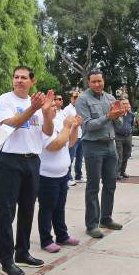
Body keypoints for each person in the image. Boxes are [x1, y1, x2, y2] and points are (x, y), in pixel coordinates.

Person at [0, 66, 54, 275]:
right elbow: (10, 125)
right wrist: (33, 109)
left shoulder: (35, 102)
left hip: (33, 160)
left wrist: (46, 113)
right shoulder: (5, 100)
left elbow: (47, 131)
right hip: (10, 160)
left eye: (24, 77)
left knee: (28, 209)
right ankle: (6, 260)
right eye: (16, 77)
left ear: (32, 81)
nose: (19, 80)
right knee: (7, 212)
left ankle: (22, 252)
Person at [77, 70, 125, 238]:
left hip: (110, 146)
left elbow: (119, 125)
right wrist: (108, 116)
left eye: (99, 81)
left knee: (110, 184)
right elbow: (88, 125)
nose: (97, 84)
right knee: (93, 186)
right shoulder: (83, 99)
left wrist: (118, 116)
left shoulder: (110, 98)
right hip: (93, 146)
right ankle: (91, 225)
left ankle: (106, 218)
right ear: (88, 82)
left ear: (104, 81)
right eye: (93, 82)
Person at [38, 104, 82, 253]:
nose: (55, 107)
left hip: (62, 174)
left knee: (59, 207)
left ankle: (62, 235)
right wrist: (67, 127)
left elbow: (71, 143)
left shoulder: (59, 121)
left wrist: (75, 127)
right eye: (51, 105)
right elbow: (54, 146)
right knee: (47, 208)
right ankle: (46, 240)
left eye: (55, 105)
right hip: (47, 175)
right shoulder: (43, 124)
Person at [113, 100, 135, 179]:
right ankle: (117, 173)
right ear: (120, 105)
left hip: (128, 137)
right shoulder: (117, 114)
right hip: (118, 137)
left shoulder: (131, 115)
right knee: (119, 155)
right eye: (124, 103)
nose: (126, 105)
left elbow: (132, 124)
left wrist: (130, 131)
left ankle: (123, 171)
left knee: (126, 155)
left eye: (127, 103)